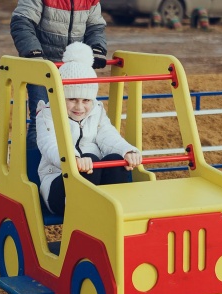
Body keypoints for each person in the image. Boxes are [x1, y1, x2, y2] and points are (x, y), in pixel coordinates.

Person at [36, 42, 142, 216]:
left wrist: (127, 151)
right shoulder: (47, 115)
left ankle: (116, 214)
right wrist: (74, 160)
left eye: (86, 100)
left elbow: (108, 136)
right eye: (72, 99)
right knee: (90, 159)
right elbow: (50, 145)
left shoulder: (97, 111)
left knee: (115, 160)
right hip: (59, 185)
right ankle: (90, 218)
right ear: (60, 96)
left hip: (95, 179)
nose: (79, 107)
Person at [10, 0, 107, 150]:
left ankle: (71, 166)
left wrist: (97, 48)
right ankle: (33, 170)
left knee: (78, 118)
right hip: (43, 68)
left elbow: (95, 27)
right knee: (41, 120)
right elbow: (21, 22)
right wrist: (33, 53)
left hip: (74, 68)